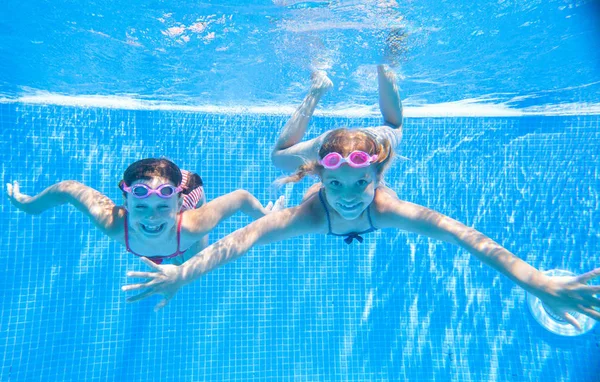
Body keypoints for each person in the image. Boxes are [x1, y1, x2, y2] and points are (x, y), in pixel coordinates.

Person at [122, 67, 600, 329]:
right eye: (335, 187)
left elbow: (466, 237)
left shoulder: (384, 200)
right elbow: (243, 239)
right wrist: (181, 274)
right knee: (279, 157)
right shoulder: (310, 212)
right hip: (327, 146)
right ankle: (318, 89)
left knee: (392, 129)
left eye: (359, 186)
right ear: (320, 181)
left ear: (377, 177)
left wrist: (539, 283)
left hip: (370, 142)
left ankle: (386, 75)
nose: (349, 199)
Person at [6, 157, 285, 265]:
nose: (151, 216)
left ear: (176, 205)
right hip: (168, 219)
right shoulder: (113, 222)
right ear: (126, 203)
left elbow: (240, 198)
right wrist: (28, 206)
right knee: (163, 260)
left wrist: (265, 215)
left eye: (162, 206)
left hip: (188, 200)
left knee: (188, 263)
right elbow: (67, 189)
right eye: (140, 206)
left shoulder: (193, 224)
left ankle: (179, 184)